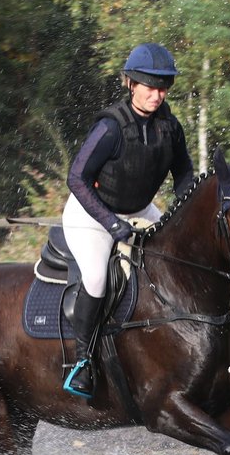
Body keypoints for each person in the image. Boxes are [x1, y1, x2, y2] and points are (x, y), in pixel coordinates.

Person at [61, 42, 196, 397]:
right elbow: (76, 178)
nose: (158, 94)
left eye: (163, 87)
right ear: (131, 84)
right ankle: (82, 363)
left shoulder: (171, 127)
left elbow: (184, 175)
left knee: (172, 264)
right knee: (96, 280)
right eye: (151, 86)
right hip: (91, 212)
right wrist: (111, 223)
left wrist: (183, 212)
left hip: (140, 211)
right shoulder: (110, 128)